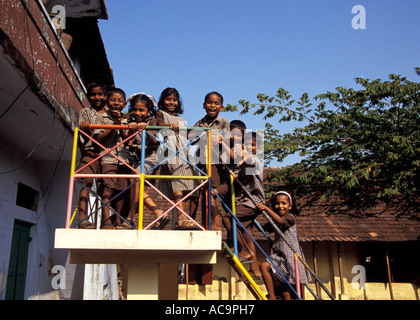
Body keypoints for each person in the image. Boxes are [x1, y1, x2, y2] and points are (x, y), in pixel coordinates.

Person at [256, 191, 312, 300]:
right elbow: (264, 228)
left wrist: (266, 209)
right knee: (264, 266)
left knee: (292, 283)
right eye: (277, 204)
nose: (280, 206)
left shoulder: (290, 217)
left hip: (291, 255)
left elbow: (281, 221)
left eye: (283, 203)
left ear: (290, 206)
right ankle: (271, 297)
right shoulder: (275, 221)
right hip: (279, 254)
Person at [125, 93, 169, 229]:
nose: (137, 113)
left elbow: (154, 141)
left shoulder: (152, 121)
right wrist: (131, 129)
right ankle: (158, 212)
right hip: (140, 156)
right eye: (135, 110)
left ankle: (130, 217)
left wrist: (146, 129)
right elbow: (126, 139)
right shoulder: (131, 122)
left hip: (154, 154)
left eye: (141, 110)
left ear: (148, 111)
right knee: (135, 182)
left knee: (136, 178)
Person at [156, 87, 197, 229]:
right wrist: (170, 126)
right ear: (162, 101)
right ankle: (181, 217)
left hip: (183, 151)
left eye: (174, 100)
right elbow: (157, 125)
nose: (171, 102)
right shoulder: (160, 114)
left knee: (184, 185)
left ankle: (181, 218)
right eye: (168, 99)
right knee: (178, 183)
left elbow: (186, 135)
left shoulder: (181, 119)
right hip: (171, 151)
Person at [225, 131, 265, 279]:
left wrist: (244, 157)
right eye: (246, 144)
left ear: (258, 149)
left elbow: (250, 165)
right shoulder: (243, 163)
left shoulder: (255, 161)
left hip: (252, 201)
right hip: (244, 201)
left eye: (252, 145)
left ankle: (243, 250)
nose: (249, 146)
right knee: (246, 233)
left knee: (227, 219)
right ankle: (255, 270)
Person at [192, 91, 230, 231]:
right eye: (209, 102)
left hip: (215, 162)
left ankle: (216, 222)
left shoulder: (223, 122)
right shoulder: (200, 123)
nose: (212, 105)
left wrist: (220, 138)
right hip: (200, 162)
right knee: (199, 192)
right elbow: (191, 139)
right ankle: (202, 223)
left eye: (216, 103)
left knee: (211, 192)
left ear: (221, 107)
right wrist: (200, 134)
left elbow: (229, 139)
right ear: (203, 105)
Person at [93, 87, 129, 229]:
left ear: (124, 105)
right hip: (108, 156)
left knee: (121, 190)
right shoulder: (101, 117)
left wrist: (121, 123)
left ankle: (118, 220)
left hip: (122, 158)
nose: (116, 103)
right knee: (108, 188)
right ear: (107, 102)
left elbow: (127, 140)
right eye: (113, 99)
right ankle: (106, 220)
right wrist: (113, 125)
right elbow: (98, 137)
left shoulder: (125, 118)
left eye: (120, 101)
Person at [77, 83, 107, 229]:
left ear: (105, 96)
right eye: (93, 95)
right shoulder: (85, 112)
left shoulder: (111, 112)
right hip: (90, 151)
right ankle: (82, 218)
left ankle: (106, 221)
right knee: (86, 181)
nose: (97, 97)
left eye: (100, 94)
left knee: (106, 186)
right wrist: (84, 126)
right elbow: (83, 131)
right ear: (89, 96)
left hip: (108, 152)